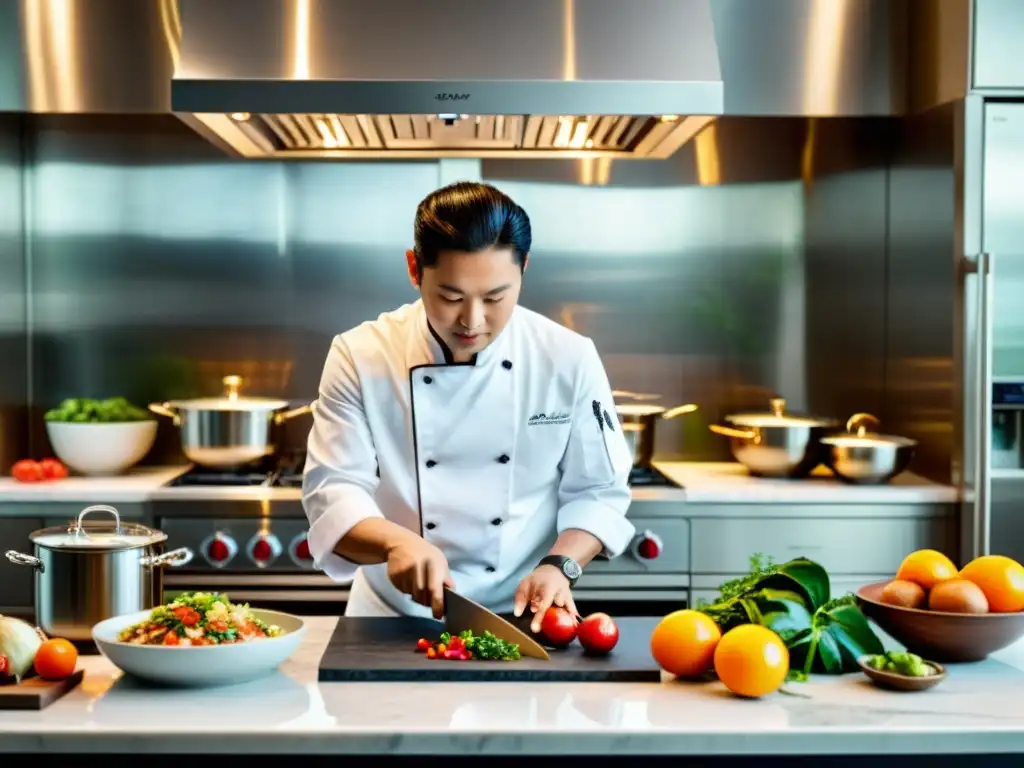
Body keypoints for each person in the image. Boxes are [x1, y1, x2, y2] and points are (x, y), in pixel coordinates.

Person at [301, 180, 635, 632]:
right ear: (414, 269)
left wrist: (561, 565)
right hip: (387, 618)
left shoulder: (568, 358)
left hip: (521, 617)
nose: (472, 321)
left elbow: (599, 491)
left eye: (496, 297)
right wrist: (396, 543)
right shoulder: (361, 355)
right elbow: (333, 491)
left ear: (524, 269)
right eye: (451, 297)